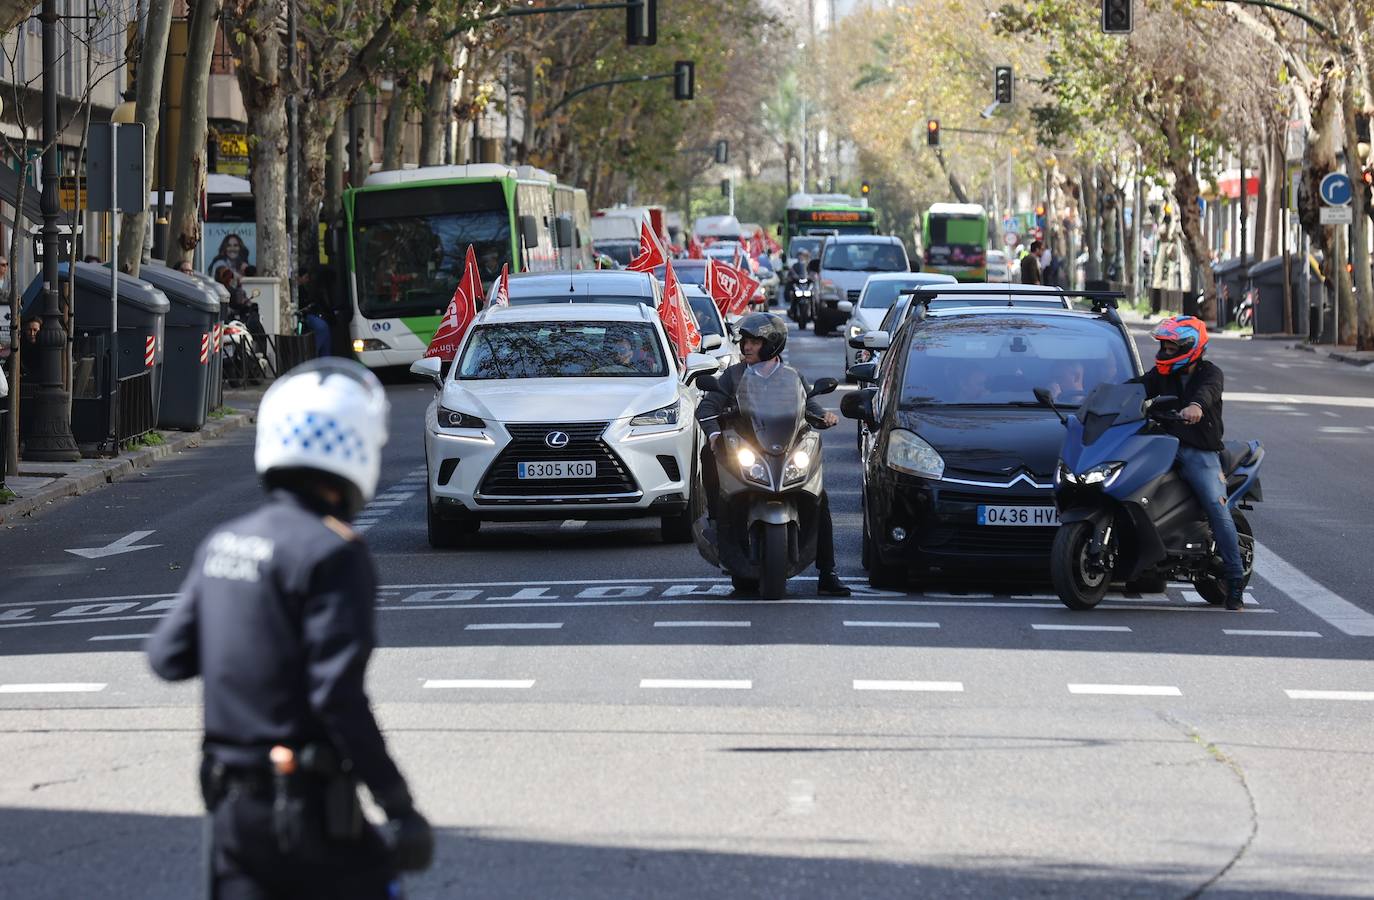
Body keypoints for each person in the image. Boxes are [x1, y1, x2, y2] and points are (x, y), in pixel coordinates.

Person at [146, 359, 434, 898]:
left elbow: (168, 658)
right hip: (302, 806)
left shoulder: (223, 542)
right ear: (354, 449)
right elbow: (337, 698)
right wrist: (400, 807)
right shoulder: (332, 553)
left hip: (230, 810)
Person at [696, 312, 851, 597]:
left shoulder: (791, 377)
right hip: (746, 450)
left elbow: (809, 405)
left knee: (820, 499)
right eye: (745, 341)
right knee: (710, 453)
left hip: (784, 450)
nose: (747, 347)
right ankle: (719, 522)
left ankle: (828, 572)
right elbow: (707, 408)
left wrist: (824, 416)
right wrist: (716, 434)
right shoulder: (732, 375)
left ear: (772, 344)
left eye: (755, 342)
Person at [1130, 315, 1245, 610]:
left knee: (1214, 506)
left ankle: (1234, 579)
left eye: (1170, 348)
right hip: (1162, 443)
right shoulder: (1161, 374)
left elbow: (1205, 395)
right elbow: (1137, 387)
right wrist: (1098, 397)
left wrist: (1194, 407)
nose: (1164, 353)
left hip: (1198, 449)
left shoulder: (1210, 374)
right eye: (1164, 347)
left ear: (1189, 347)